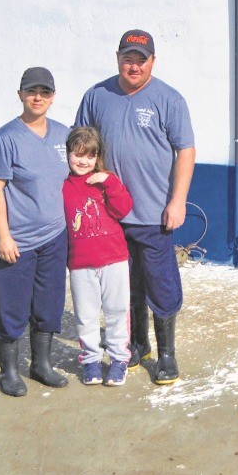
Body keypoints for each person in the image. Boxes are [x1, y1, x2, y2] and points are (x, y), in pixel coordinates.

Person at [75, 29, 195, 386]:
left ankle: (167, 354)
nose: (133, 66)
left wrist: (177, 200)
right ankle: (137, 344)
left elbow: (186, 150)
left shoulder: (169, 99)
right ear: (118, 58)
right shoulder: (97, 96)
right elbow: (80, 147)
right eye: (127, 58)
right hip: (110, 216)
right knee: (124, 286)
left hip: (154, 214)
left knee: (161, 284)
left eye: (141, 60)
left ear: (152, 62)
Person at [0, 67, 71, 397]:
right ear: (20, 94)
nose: (38, 97)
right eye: (31, 91)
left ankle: (41, 364)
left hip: (54, 237)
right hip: (16, 241)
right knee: (11, 308)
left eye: (44, 92)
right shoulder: (5, 138)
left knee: (48, 304)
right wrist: (4, 236)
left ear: (53, 97)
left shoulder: (63, 135)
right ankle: (9, 370)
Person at [62, 126, 134, 386]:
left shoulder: (106, 181)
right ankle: (91, 359)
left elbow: (123, 209)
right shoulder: (63, 186)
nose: (83, 161)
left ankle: (119, 360)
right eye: (78, 154)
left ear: (97, 157)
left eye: (90, 156)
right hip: (81, 264)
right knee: (86, 316)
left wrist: (109, 182)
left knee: (117, 311)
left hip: (114, 259)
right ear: (68, 154)